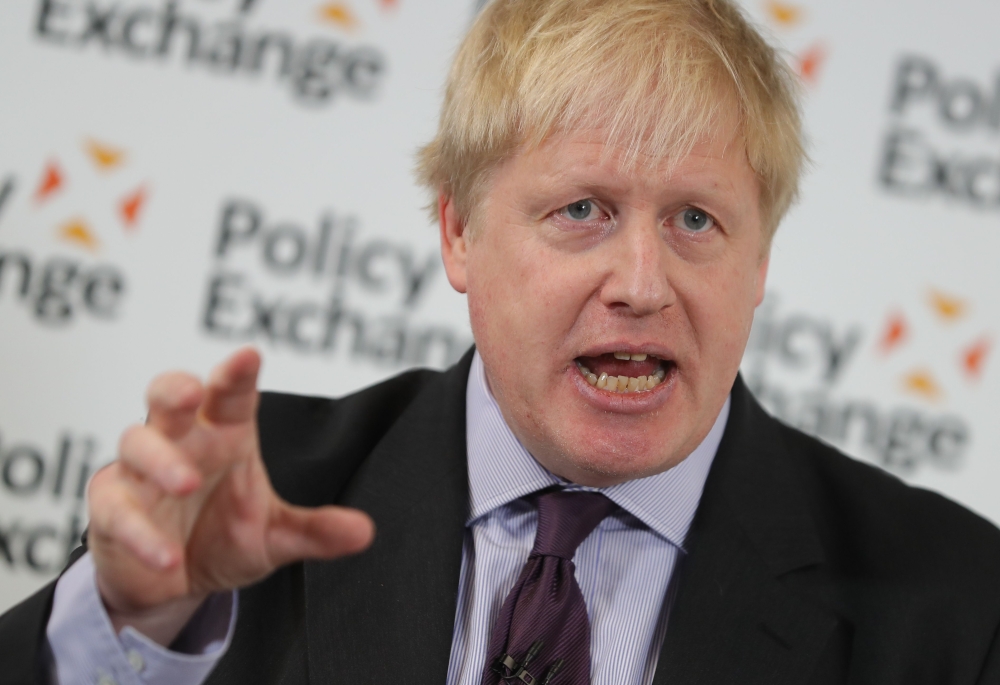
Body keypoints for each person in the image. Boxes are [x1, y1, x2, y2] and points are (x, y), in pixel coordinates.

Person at [3, 0, 1000, 683]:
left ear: (760, 263)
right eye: (582, 209)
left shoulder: (954, 607)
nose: (643, 284)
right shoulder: (252, 502)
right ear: (458, 233)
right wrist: (128, 626)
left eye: (696, 220)